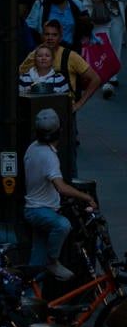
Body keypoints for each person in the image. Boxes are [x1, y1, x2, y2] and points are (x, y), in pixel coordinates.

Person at [23, 107, 94, 280]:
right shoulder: (49, 156)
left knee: (36, 263)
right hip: (39, 210)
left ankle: (32, 298)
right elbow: (61, 187)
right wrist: (86, 197)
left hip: (38, 208)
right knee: (63, 225)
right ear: (59, 132)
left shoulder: (33, 148)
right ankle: (52, 261)